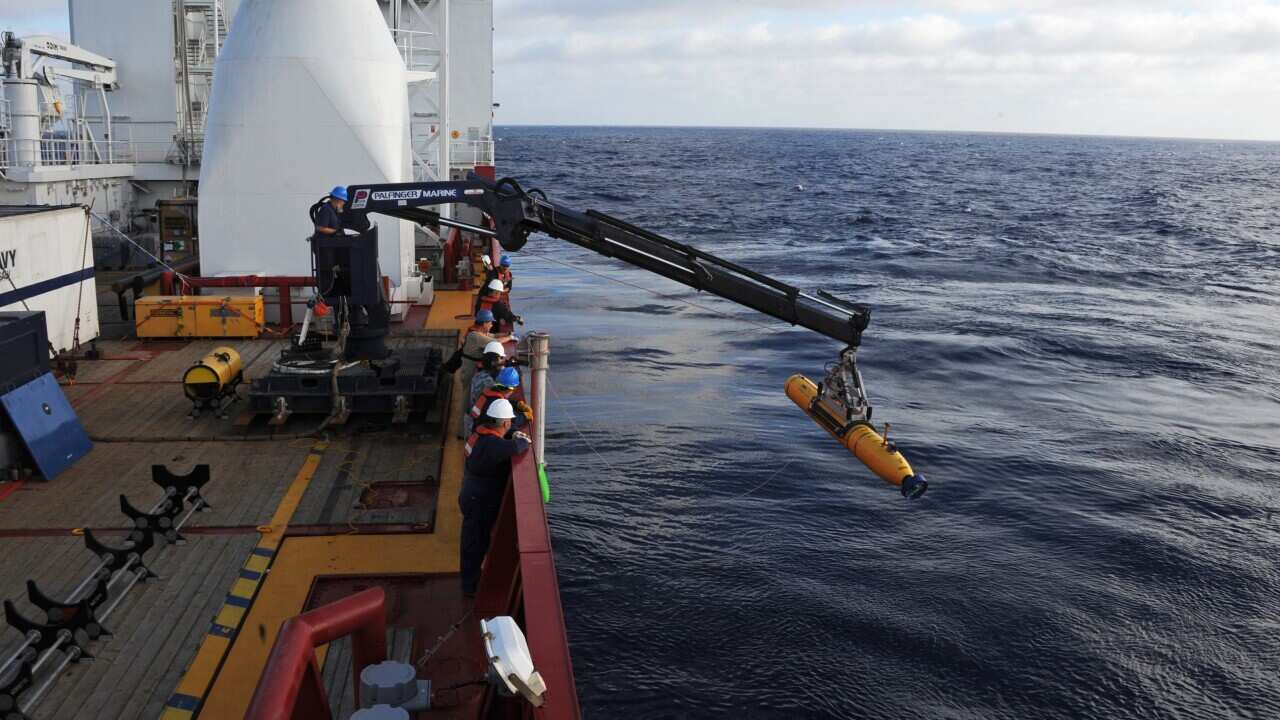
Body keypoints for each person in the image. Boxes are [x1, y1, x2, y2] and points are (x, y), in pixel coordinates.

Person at [459, 398, 530, 596]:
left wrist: (511, 433)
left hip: (471, 493)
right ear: (505, 423)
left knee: (472, 542)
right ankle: (469, 586)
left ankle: (470, 581)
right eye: (509, 422)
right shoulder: (493, 446)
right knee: (474, 544)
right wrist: (520, 437)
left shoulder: (478, 434)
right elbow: (519, 446)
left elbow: (500, 440)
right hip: (479, 500)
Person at [466, 366, 532, 437]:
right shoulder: (496, 402)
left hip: (476, 429)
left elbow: (500, 400)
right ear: (511, 389)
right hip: (484, 436)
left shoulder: (490, 392)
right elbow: (507, 422)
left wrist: (517, 404)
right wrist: (524, 416)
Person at [463, 340, 507, 438]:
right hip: (477, 426)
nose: (504, 361)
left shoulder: (478, 375)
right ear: (493, 362)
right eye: (501, 358)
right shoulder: (488, 382)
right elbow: (503, 391)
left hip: (472, 422)